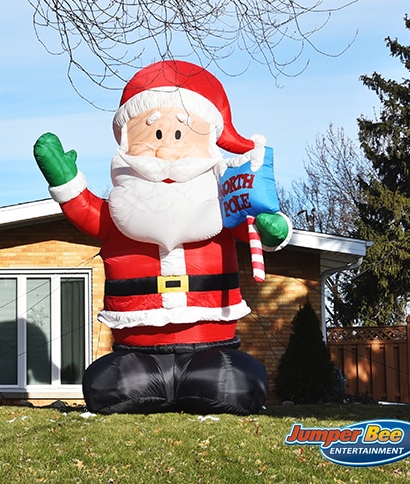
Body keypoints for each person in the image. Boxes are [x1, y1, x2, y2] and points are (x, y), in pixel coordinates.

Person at [33, 60, 291, 415]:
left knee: (236, 382)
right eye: (154, 135)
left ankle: (205, 379)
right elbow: (90, 213)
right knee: (104, 384)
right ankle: (147, 383)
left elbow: (254, 229)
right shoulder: (120, 212)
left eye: (180, 135)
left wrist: (271, 229)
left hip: (211, 347)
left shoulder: (221, 207)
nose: (166, 153)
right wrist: (67, 184)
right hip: (138, 354)